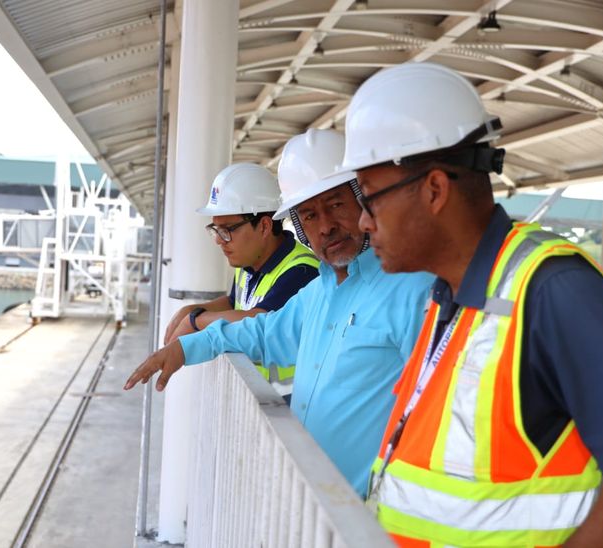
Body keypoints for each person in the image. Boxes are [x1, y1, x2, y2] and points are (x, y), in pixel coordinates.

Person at [340, 62, 603, 547]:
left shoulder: (549, 288)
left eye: (369, 198)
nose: (361, 223)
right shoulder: (449, 298)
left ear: (435, 190)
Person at [124, 129, 434, 497]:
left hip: (367, 518)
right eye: (308, 214)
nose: (325, 226)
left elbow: (431, 414)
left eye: (336, 205)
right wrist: (185, 348)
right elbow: (262, 332)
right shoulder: (319, 291)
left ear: (364, 202)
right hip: (313, 502)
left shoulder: (413, 288)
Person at [162, 163, 319, 396]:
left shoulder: (301, 271)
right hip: (258, 401)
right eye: (215, 230)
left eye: (227, 230)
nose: (219, 240)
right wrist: (193, 309)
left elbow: (258, 321)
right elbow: (233, 303)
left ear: (264, 226)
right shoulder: (248, 262)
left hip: (287, 411)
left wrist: (197, 320)